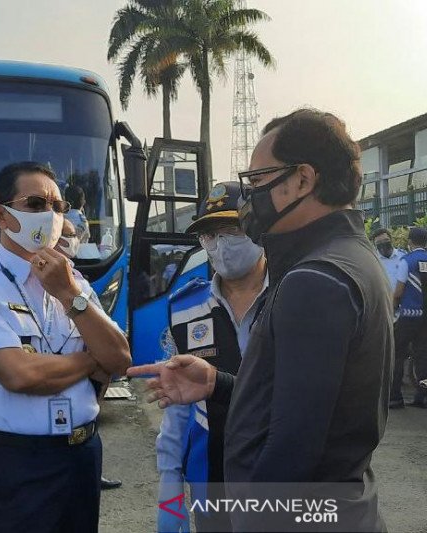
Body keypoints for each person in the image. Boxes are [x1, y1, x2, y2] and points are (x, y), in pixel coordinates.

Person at [130, 109, 393, 532]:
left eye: (257, 181)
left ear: (303, 180)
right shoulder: (348, 259)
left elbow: (292, 451)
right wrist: (219, 384)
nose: (251, 198)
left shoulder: (313, 279)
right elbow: (302, 403)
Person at [0, 161, 131, 532]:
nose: (50, 215)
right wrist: (87, 359)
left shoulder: (75, 283)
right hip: (17, 461)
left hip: (82, 455)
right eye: (35, 204)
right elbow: (20, 374)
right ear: (1, 214)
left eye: (57, 207)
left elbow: (120, 358)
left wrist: (68, 295)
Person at [156, 182, 267, 533]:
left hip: (282, 473)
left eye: (231, 230)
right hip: (211, 478)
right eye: (209, 234)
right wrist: (170, 485)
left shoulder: (292, 296)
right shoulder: (184, 307)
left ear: (258, 229)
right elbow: (176, 408)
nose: (220, 243)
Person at [54, 217, 123, 492]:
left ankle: (91, 472)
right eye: (64, 236)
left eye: (74, 236)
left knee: (87, 421)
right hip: (65, 368)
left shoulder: (79, 280)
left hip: (89, 368)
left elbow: (108, 333)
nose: (71, 242)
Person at [391, 227, 427, 408]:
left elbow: (398, 291)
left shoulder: (407, 261)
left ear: (410, 242)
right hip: (425, 318)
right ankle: (422, 397)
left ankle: (395, 397)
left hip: (409, 315)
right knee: (423, 355)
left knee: (397, 353)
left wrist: (392, 306)